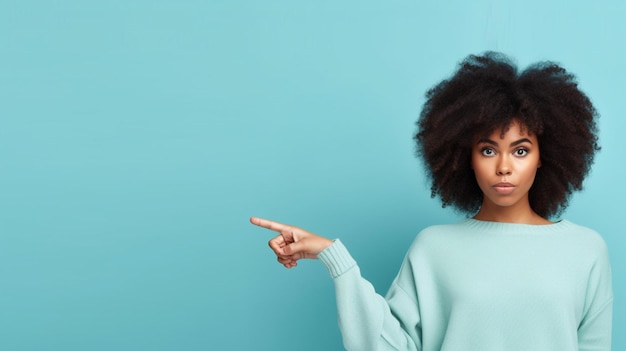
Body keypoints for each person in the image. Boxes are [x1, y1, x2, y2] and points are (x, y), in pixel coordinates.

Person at [250, 52, 613, 351]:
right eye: (488, 149)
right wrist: (334, 257)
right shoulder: (434, 247)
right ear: (464, 157)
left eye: (520, 150)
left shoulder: (585, 250)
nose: (504, 167)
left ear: (544, 156)